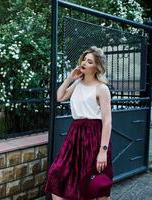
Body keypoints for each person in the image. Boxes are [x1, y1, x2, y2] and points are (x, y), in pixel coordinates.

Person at [44, 46, 113, 200]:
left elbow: (107, 121)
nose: (84, 63)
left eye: (90, 61)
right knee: (57, 173)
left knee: (95, 182)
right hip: (75, 134)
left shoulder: (102, 88)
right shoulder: (77, 84)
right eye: (84, 59)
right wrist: (70, 78)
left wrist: (103, 151)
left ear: (97, 67)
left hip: (94, 135)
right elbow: (59, 97)